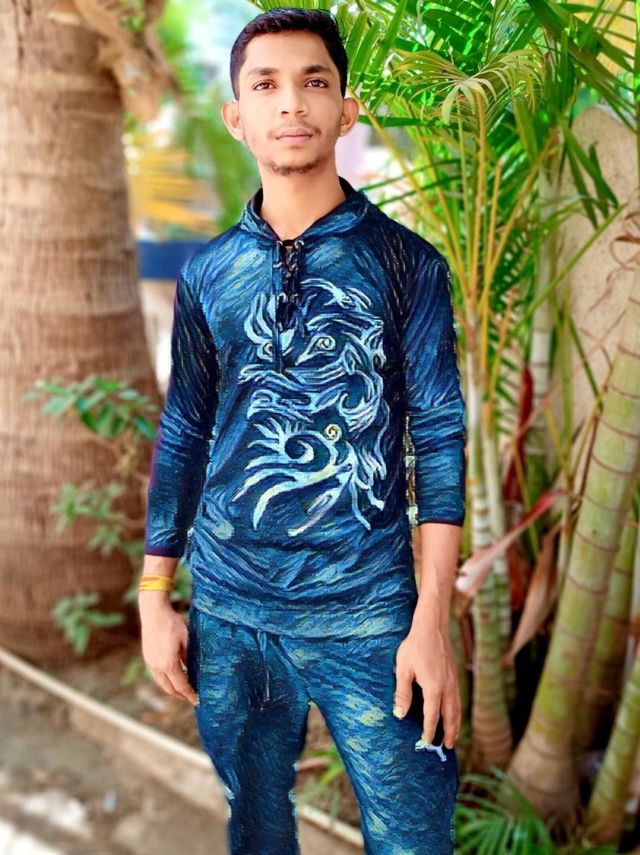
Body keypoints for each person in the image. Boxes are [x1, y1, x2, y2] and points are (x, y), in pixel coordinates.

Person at [138, 7, 467, 854]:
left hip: (371, 612)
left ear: (346, 110)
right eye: (266, 85)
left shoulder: (407, 264)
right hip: (230, 608)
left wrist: (432, 621)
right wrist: (154, 594)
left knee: (416, 837)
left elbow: (438, 439)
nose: (292, 102)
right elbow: (185, 430)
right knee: (257, 827)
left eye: (314, 81)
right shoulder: (210, 273)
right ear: (235, 116)